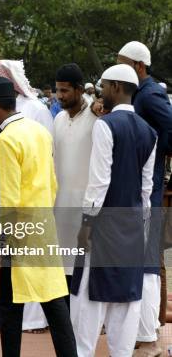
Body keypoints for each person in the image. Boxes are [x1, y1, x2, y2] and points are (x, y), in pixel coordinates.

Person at [0, 76, 77, 357]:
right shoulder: (38, 131)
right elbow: (53, 182)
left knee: (9, 311)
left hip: (17, 238)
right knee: (56, 305)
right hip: (43, 229)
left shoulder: (6, 140)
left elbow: (10, 200)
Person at [70, 65, 156, 357]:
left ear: (117, 87)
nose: (101, 91)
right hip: (132, 227)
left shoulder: (104, 126)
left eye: (104, 85)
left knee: (87, 307)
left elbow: (98, 184)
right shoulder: (150, 132)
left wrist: (86, 226)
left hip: (102, 225)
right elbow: (146, 190)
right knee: (126, 304)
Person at [118, 41, 172, 357]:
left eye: (125, 65)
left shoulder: (150, 95)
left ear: (139, 67)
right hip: (139, 185)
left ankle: (150, 337)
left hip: (146, 188)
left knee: (148, 262)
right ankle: (142, 331)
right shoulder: (139, 94)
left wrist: (156, 151)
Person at [53, 63, 98, 307]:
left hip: (86, 207)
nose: (60, 96)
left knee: (85, 265)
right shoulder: (58, 119)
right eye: (58, 90)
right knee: (62, 265)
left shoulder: (96, 117)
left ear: (80, 90)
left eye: (65, 91)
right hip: (60, 205)